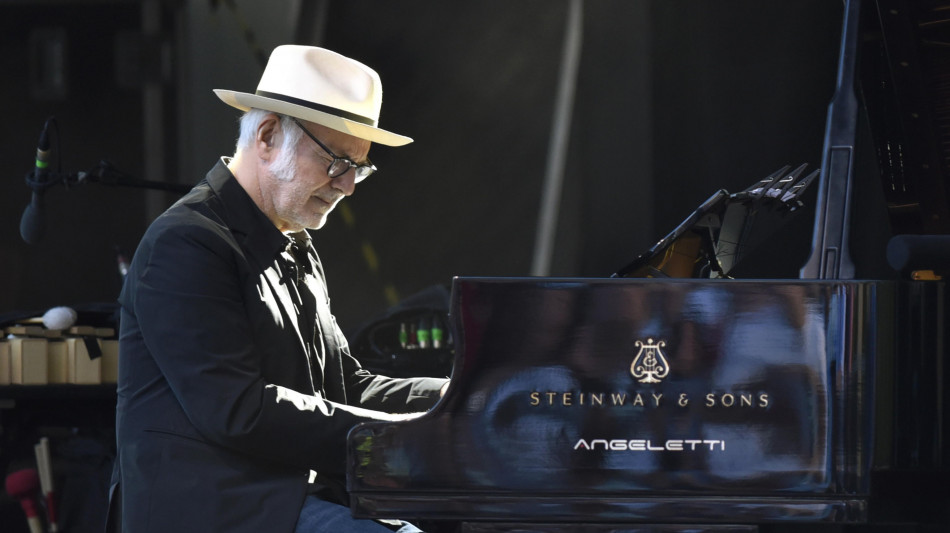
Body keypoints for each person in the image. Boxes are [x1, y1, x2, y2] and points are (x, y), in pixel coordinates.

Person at [109, 45, 449, 533]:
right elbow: (239, 411)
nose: (349, 185)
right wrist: (410, 435)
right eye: (337, 161)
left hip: (284, 498)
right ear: (268, 136)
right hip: (212, 511)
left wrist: (459, 398)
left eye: (360, 167)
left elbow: (345, 385)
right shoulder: (186, 243)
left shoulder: (294, 243)